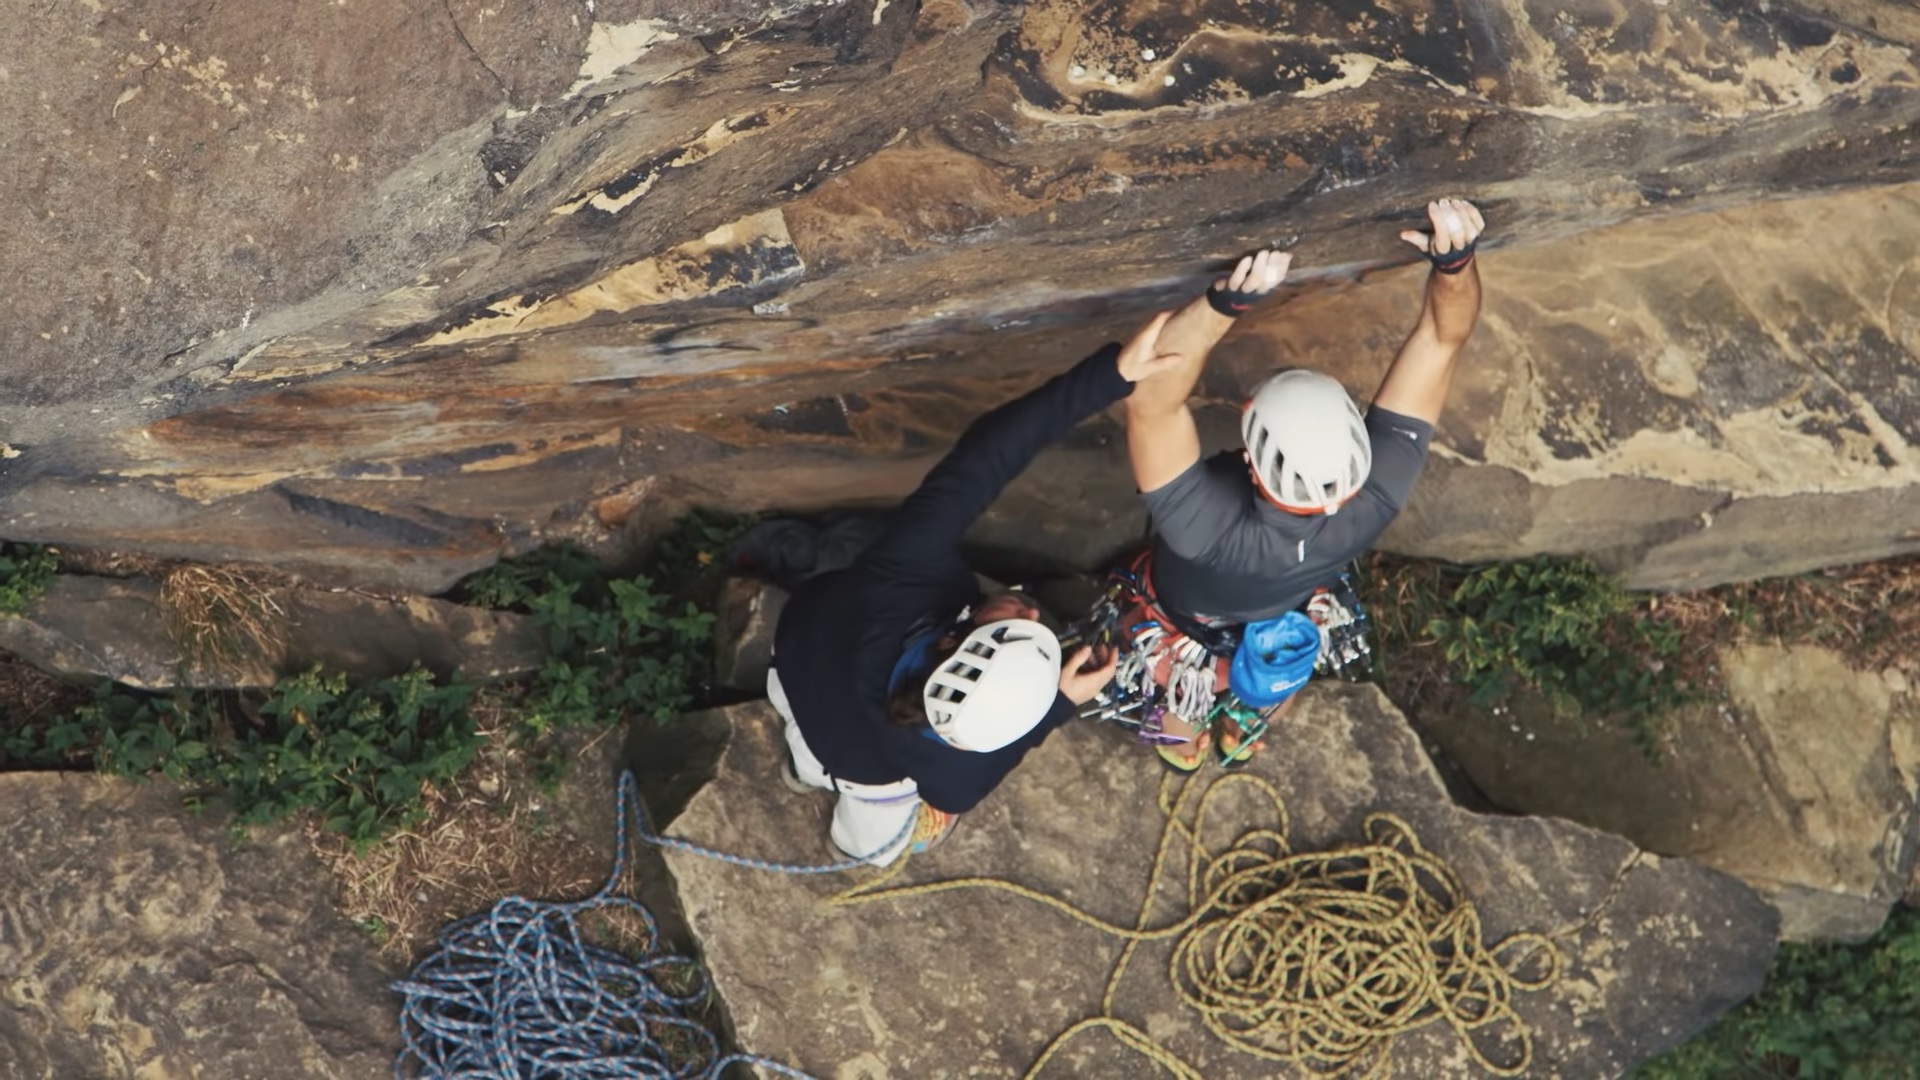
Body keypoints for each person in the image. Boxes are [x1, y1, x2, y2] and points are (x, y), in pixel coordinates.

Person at [767, 312, 1190, 865]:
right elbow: (973, 776)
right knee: (874, 826)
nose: (1032, 616)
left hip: (796, 656)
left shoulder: (904, 568)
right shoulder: (951, 774)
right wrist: (1060, 703)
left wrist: (1110, 377)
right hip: (856, 762)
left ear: (951, 638)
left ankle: (801, 767)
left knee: (804, 730)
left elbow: (983, 460)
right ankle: (851, 843)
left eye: (1011, 626)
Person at [1120, 198, 1487, 769]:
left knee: (1178, 702)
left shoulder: (1204, 529)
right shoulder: (1379, 492)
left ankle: (1186, 740)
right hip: (1289, 615)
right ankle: (1245, 724)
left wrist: (1224, 304)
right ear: (1359, 447)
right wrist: (1456, 265)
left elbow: (1151, 404)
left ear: (1250, 459)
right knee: (1276, 679)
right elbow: (1443, 339)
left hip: (1183, 625)